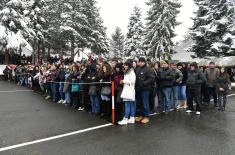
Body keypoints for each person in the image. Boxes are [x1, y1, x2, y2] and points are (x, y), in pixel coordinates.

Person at [135, 57, 155, 124]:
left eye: (141, 62)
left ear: (144, 62)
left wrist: (144, 83)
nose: (140, 63)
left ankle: (146, 116)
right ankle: (141, 115)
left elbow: (152, 79)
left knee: (145, 103)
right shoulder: (137, 69)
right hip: (138, 89)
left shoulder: (148, 69)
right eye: (139, 62)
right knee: (139, 103)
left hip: (145, 89)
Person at [118, 59, 136, 125]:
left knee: (128, 105)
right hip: (128, 90)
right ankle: (132, 118)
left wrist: (123, 81)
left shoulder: (131, 72)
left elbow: (133, 81)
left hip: (129, 90)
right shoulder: (128, 71)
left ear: (128, 65)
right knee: (131, 105)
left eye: (125, 65)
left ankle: (125, 119)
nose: (124, 66)